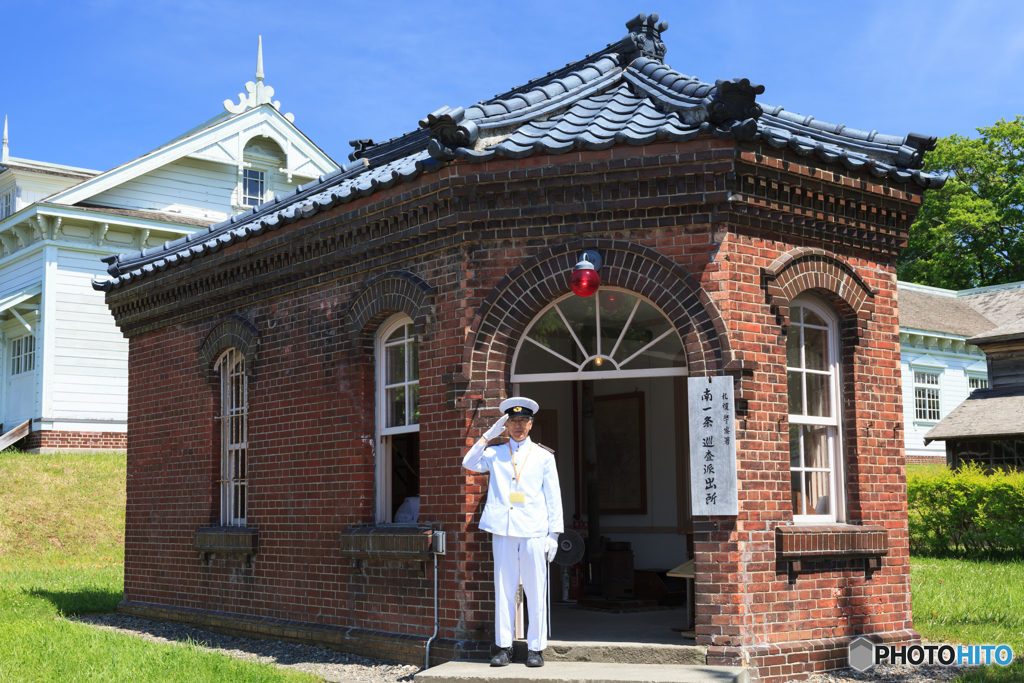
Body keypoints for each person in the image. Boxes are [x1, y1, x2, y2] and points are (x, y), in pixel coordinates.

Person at [462, 397, 563, 667]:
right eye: (512, 421)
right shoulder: (495, 452)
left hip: (533, 530)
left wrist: (554, 534)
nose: (518, 426)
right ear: (506, 424)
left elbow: (553, 497)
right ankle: (504, 647)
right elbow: (468, 463)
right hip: (504, 530)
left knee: (535, 589)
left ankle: (535, 649)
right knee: (504, 589)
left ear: (531, 424)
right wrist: (488, 435)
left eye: (522, 421)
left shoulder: (544, 456)